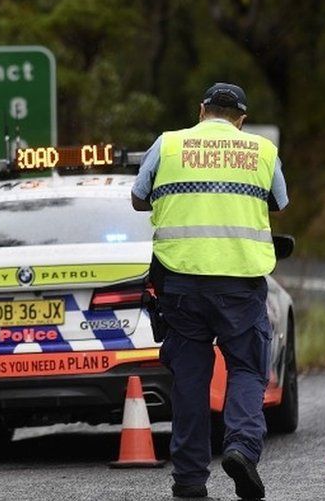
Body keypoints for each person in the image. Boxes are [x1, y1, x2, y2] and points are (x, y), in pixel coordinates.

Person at [131, 82, 288, 500]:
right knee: (247, 370)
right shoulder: (261, 151)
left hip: (180, 283)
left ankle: (189, 480)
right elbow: (280, 202)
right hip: (240, 284)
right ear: (242, 119)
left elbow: (137, 198)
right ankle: (240, 448)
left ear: (201, 110)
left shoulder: (167, 145)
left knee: (190, 381)